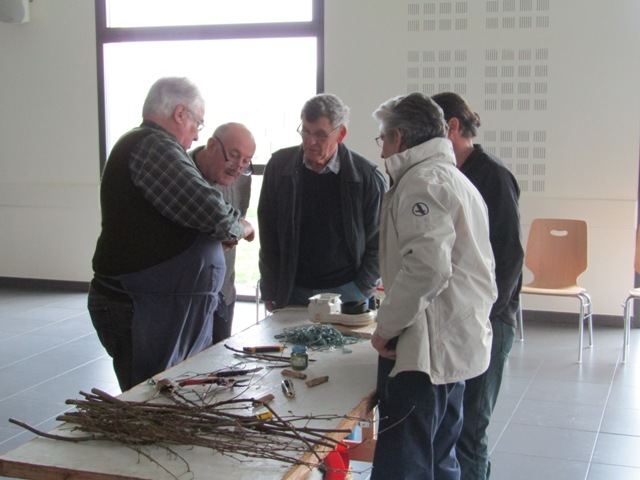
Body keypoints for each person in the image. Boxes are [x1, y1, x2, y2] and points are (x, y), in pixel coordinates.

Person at [88, 77, 255, 392]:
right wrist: (243, 227)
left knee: (167, 395)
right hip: (139, 307)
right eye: (198, 124)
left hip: (157, 306)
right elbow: (214, 215)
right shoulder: (154, 145)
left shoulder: (154, 146)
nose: (196, 135)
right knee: (148, 399)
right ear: (180, 114)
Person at [370, 92, 497, 480]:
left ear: (399, 138)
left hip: (426, 354)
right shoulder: (455, 179)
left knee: (405, 466)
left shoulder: (421, 182)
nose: (381, 151)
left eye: (383, 139)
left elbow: (427, 269)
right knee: (440, 459)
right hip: (453, 344)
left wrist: (386, 328)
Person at [432, 92, 524, 480]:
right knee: (451, 427)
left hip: (489, 321)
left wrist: (481, 316)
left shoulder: (492, 175)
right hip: (459, 318)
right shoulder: (447, 173)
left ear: (452, 127)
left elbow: (510, 258)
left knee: (470, 432)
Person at [257, 93, 387, 311]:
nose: (310, 142)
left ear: (341, 133)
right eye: (305, 131)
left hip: (347, 291)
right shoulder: (279, 167)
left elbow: (379, 241)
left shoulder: (366, 176)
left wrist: (362, 288)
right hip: (291, 290)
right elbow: (268, 233)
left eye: (319, 134)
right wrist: (270, 288)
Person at [189, 122, 255, 344]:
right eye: (233, 156)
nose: (238, 167)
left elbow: (235, 226)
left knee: (220, 359)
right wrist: (244, 228)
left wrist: (236, 233)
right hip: (186, 296)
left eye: (246, 161)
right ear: (211, 146)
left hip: (223, 291)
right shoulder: (182, 174)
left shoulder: (242, 178)